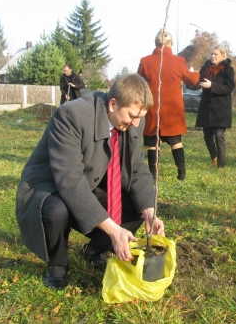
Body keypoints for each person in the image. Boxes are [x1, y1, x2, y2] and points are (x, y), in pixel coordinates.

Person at [16, 74, 165, 290]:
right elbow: (70, 181)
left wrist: (150, 211)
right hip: (50, 185)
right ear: (113, 104)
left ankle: (94, 251)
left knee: (135, 206)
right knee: (56, 210)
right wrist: (114, 230)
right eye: (132, 116)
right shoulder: (72, 115)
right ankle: (57, 267)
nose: (136, 123)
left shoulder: (132, 122)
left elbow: (137, 169)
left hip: (91, 182)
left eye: (140, 117)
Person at [137, 29, 199, 180]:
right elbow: (192, 80)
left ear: (156, 43)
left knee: (153, 142)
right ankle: (181, 172)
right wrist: (196, 72)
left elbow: (138, 83)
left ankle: (153, 175)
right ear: (170, 43)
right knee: (175, 141)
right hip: (173, 108)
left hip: (152, 106)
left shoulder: (145, 61)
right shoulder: (179, 61)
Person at [190, 46, 235, 169]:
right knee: (207, 136)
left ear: (222, 55)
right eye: (211, 54)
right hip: (207, 108)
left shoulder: (228, 69)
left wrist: (211, 85)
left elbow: (229, 88)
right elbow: (197, 84)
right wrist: (188, 79)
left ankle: (221, 166)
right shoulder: (205, 68)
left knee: (219, 135)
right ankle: (214, 158)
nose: (213, 56)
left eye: (215, 54)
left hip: (221, 109)